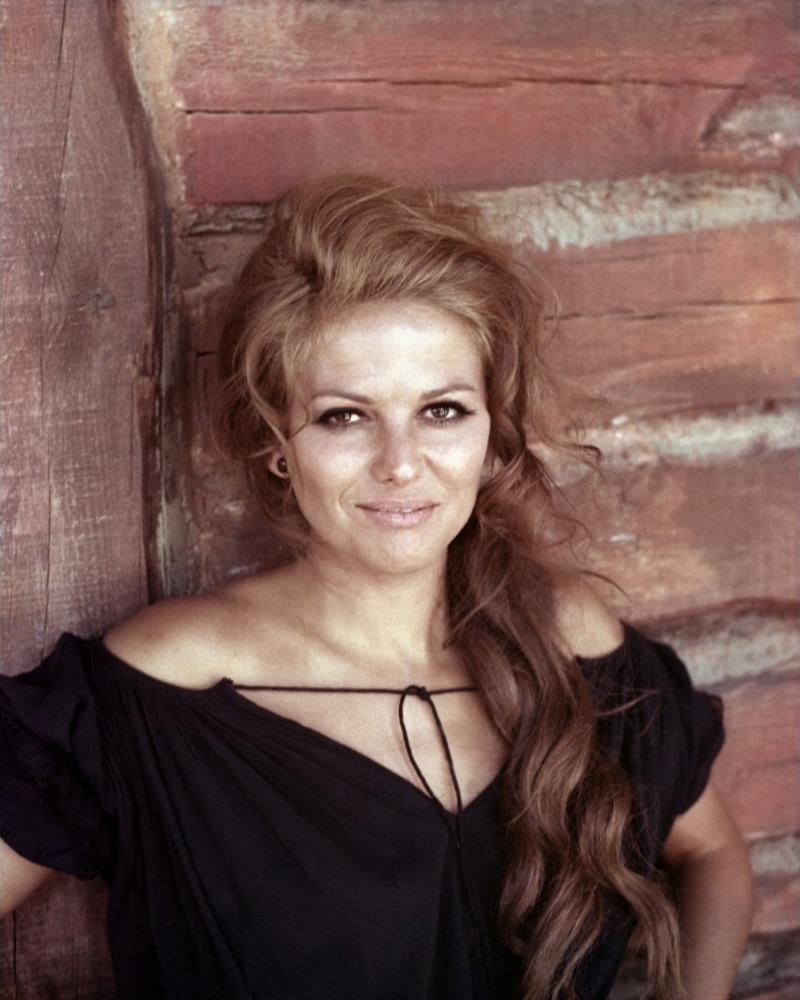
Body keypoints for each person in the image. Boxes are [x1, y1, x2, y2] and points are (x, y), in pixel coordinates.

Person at [1, 175, 753, 1000]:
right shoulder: (160, 691)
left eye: (442, 411)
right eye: (345, 416)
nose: (400, 464)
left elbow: (713, 852)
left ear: (492, 436)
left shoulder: (570, 642)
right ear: (277, 443)